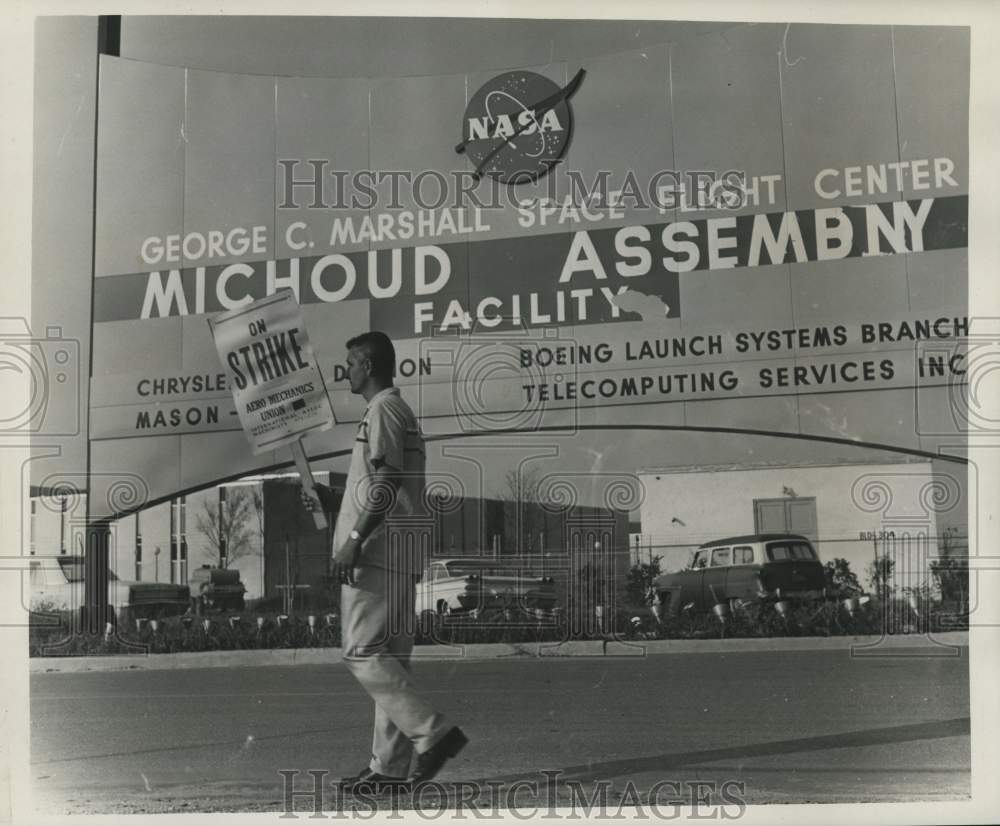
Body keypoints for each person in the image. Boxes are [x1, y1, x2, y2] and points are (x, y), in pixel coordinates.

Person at [303, 331, 467, 795]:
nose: (346, 371)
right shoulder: (397, 412)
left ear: (369, 364)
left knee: (361, 651)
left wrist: (354, 539)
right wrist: (331, 497)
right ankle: (390, 770)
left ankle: (432, 732)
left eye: (352, 363)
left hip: (378, 551)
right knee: (391, 658)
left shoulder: (383, 410)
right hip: (400, 548)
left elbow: (387, 482)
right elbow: (378, 482)